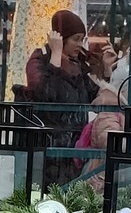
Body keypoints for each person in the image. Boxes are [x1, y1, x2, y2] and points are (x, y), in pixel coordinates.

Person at [23, 9, 95, 148]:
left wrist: (108, 72)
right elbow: (46, 94)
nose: (80, 44)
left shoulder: (77, 66)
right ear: (61, 38)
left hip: (75, 146)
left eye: (82, 39)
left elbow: (94, 94)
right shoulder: (39, 59)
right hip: (47, 146)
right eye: (76, 39)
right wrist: (56, 55)